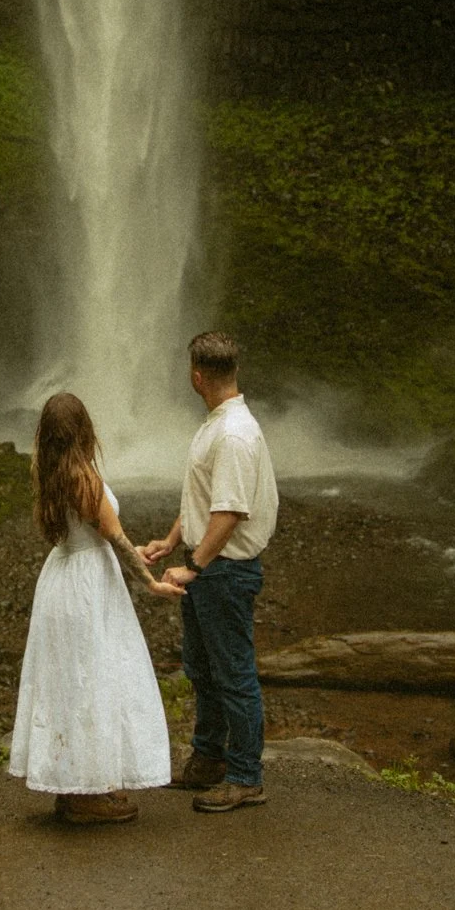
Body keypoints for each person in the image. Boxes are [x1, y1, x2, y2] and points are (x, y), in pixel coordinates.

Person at [9, 392, 186, 824]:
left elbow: (99, 536)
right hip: (87, 586)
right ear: (84, 429)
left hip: (63, 576)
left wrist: (137, 554)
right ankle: (86, 798)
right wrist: (151, 584)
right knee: (93, 680)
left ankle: (74, 788)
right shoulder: (82, 476)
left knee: (69, 681)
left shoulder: (49, 472)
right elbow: (114, 535)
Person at [141, 331, 279, 813]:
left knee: (233, 673)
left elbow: (231, 512)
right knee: (202, 668)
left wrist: (194, 567)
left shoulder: (234, 434)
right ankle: (208, 759)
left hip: (225, 570)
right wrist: (172, 541)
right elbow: (206, 498)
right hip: (208, 565)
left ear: (197, 376)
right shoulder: (218, 425)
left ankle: (246, 776)